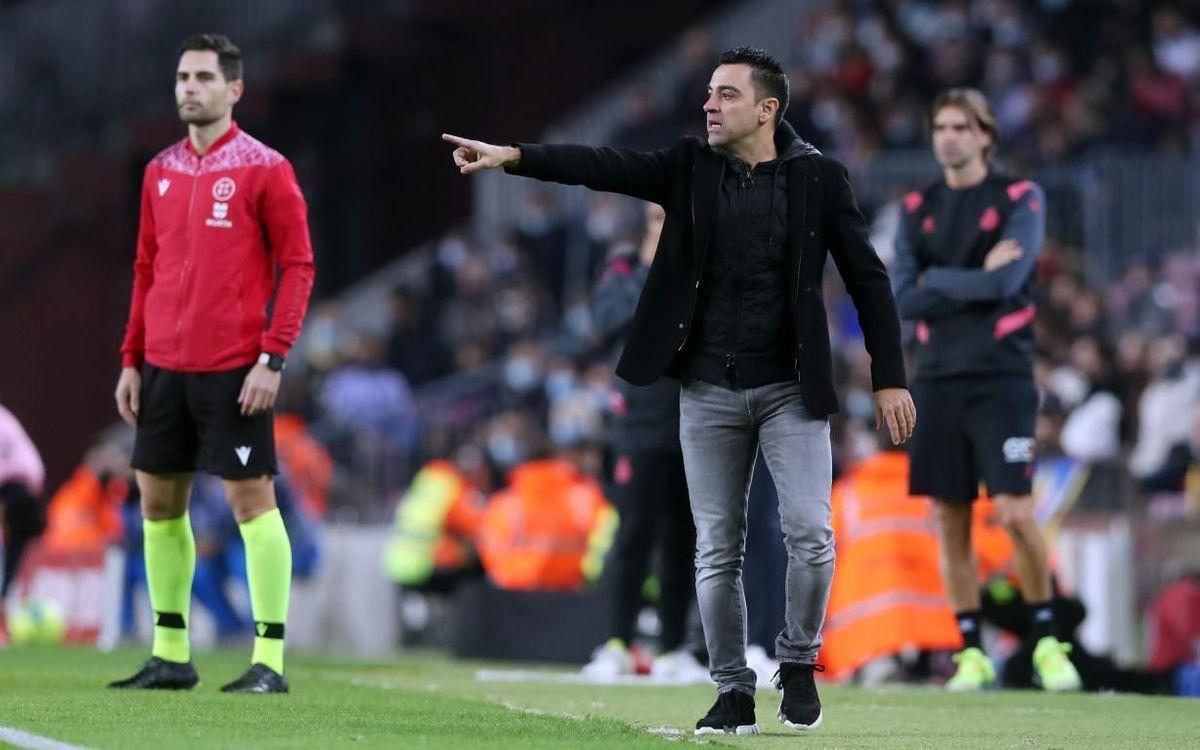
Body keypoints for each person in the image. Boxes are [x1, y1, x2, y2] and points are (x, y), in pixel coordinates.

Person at [443, 46, 915, 734]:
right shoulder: (689, 168)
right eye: (708, 94)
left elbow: (869, 281)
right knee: (715, 547)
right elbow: (602, 167)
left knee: (811, 535)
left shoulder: (820, 178)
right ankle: (731, 690)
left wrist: (890, 377)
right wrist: (513, 156)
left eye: (725, 95)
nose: (709, 105)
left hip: (790, 386)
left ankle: (799, 660)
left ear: (766, 108)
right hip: (707, 389)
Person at [109, 33, 315, 693]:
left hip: (235, 368)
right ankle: (172, 655)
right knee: (158, 504)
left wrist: (273, 358)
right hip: (164, 366)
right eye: (182, 78)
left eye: (202, 77)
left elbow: (299, 266)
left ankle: (270, 662)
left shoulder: (265, 167)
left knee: (252, 504)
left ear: (234, 89)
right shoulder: (159, 171)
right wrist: (131, 359)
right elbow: (147, 269)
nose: (188, 89)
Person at [891, 88, 1081, 692]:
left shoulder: (1020, 196)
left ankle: (1047, 640)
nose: (948, 136)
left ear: (985, 137)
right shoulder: (917, 205)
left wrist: (936, 279)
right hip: (937, 382)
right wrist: (973, 277)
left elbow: (1008, 285)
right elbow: (901, 296)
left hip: (1003, 380)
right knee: (950, 521)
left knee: (1016, 514)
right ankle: (970, 650)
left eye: (960, 127)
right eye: (940, 126)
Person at [583, 203, 705, 684]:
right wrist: (659, 273)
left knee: (683, 536)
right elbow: (611, 321)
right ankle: (616, 641)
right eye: (658, 219)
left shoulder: (700, 270)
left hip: (694, 417)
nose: (666, 228)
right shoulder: (619, 268)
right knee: (632, 533)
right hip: (638, 420)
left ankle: (673, 647)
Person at [0, 403, 46, 644]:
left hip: (13, 491)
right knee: (12, 560)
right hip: (27, 490)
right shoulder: (7, 417)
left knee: (8, 558)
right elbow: (33, 465)